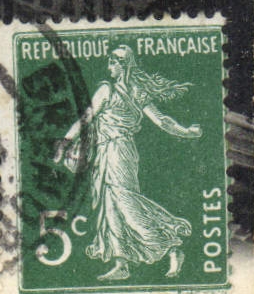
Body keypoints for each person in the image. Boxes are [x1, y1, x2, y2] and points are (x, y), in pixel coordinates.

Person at [54, 44, 201, 281]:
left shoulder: (114, 90)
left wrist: (186, 132)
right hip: (105, 152)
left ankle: (171, 246)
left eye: (113, 62)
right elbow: (88, 117)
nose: (109, 67)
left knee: (125, 203)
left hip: (119, 152)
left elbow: (160, 120)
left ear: (123, 66)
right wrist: (67, 140)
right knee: (109, 205)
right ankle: (121, 263)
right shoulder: (123, 90)